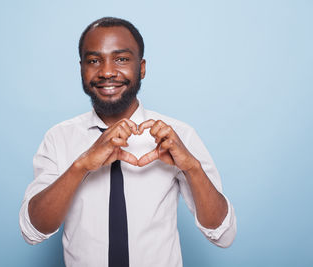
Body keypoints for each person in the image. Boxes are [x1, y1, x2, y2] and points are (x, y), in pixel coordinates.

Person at [19, 17, 236, 267]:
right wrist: (81, 166)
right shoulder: (59, 138)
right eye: (93, 60)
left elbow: (223, 234)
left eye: (121, 59)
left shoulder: (179, 136)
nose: (107, 71)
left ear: (141, 68)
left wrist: (192, 168)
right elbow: (32, 231)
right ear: (81, 68)